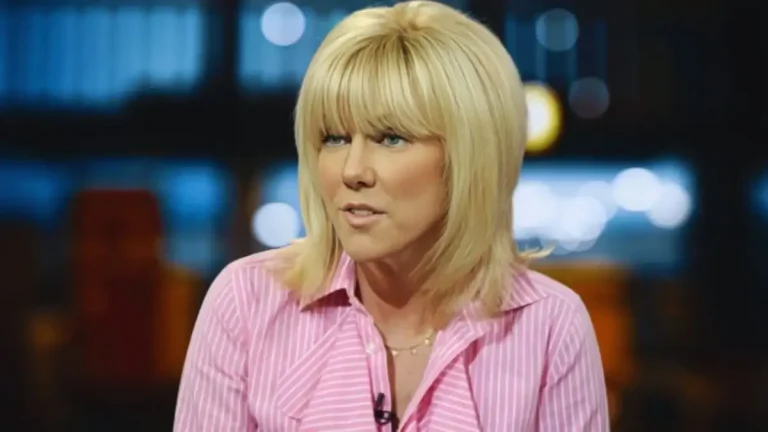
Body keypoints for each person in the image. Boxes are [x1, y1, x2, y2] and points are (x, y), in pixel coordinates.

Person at [173, 1, 609, 431]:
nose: (352, 171)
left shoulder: (550, 326)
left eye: (391, 138)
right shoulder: (248, 302)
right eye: (335, 138)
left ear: (468, 155)